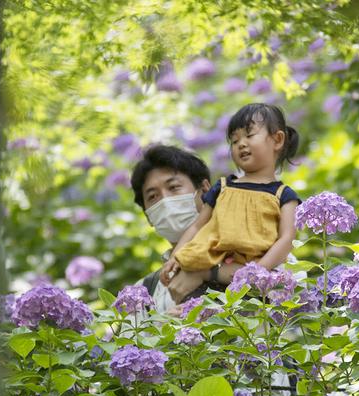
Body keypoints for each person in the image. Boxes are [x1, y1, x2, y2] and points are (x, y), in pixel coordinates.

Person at [161, 103, 301, 301]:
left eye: (249, 135)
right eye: (234, 141)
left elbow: (287, 239)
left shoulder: (284, 195)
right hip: (207, 268)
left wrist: (257, 271)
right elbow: (198, 226)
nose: (241, 144)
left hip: (248, 278)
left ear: (277, 140)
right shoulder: (223, 187)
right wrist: (176, 255)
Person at [129, 144, 221, 312]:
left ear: (205, 189)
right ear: (148, 216)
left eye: (173, 187)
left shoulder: (253, 259)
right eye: (153, 196)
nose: (165, 201)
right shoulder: (142, 294)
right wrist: (165, 331)